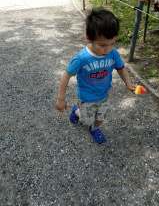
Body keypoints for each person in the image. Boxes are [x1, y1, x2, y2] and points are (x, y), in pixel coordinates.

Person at [55, 9, 136, 144]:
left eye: (112, 43)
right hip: (86, 98)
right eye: (102, 45)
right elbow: (66, 76)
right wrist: (60, 99)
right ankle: (77, 111)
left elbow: (121, 69)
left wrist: (128, 83)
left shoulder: (113, 53)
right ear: (89, 38)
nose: (108, 49)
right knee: (85, 120)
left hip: (104, 95)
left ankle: (94, 128)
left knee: (101, 117)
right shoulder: (82, 58)